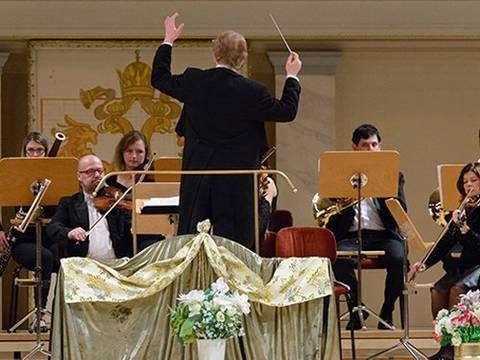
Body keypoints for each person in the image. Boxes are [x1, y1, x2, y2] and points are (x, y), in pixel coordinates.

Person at [151, 13, 302, 249]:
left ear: (215, 54)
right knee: (237, 247)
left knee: (192, 244)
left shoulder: (194, 81)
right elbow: (287, 111)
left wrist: (169, 39)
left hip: (197, 178)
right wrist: (292, 75)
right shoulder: (253, 91)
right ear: (242, 59)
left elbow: (159, 78)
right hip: (237, 183)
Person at [326, 124, 407, 330]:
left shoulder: (393, 174)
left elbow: (401, 211)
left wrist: (382, 187)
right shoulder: (342, 175)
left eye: (374, 144)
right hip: (351, 235)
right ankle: (356, 309)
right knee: (338, 258)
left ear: (380, 147)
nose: (371, 150)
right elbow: (331, 218)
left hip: (384, 235)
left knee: (399, 260)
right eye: (365, 145)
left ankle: (387, 310)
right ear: (355, 148)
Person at [411, 162, 480, 360]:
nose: (469, 185)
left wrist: (465, 229)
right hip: (466, 267)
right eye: (465, 182)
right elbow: (446, 242)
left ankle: (456, 346)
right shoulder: (464, 209)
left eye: (474, 180)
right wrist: (425, 263)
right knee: (438, 289)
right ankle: (445, 347)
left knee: (456, 289)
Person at [8, 132, 59, 331]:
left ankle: (65, 317)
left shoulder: (56, 178)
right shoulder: (15, 175)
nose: (35, 154)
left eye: (40, 150)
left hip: (49, 237)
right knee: (45, 258)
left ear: (46, 153)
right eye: (31, 150)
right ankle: (41, 314)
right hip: (22, 240)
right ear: (25, 152)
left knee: (66, 258)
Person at [47, 155, 132, 262]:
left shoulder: (115, 202)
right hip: (84, 267)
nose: (97, 175)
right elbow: (53, 228)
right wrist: (69, 232)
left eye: (100, 171)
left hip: (116, 265)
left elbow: (129, 229)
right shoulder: (69, 203)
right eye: (90, 172)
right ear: (79, 176)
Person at [107, 130, 163, 251]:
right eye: (129, 151)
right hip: (119, 236)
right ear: (121, 153)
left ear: (146, 154)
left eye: (139, 152)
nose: (134, 156)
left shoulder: (153, 180)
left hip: (148, 235)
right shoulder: (110, 180)